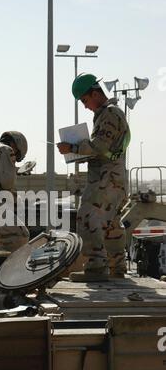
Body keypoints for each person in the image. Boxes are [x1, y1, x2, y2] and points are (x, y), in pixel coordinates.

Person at [58, 73, 131, 282]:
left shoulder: (109, 114)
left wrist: (71, 148)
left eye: (85, 100)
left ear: (95, 93)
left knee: (86, 217)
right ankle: (117, 267)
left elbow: (99, 147)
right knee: (111, 224)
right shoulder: (107, 114)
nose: (85, 105)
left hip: (106, 180)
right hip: (114, 180)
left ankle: (96, 267)